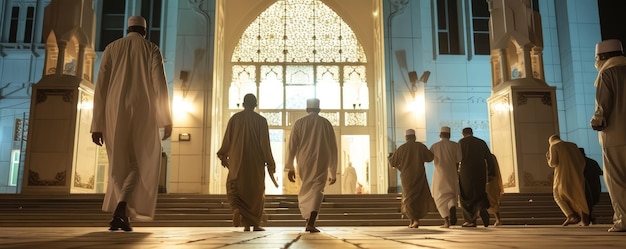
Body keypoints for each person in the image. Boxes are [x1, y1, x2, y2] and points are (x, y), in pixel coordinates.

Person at [91, 16, 173, 232]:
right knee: (140, 163)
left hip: (113, 112)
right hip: (143, 110)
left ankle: (122, 213)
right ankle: (121, 210)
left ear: (127, 29)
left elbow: (100, 88)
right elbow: (160, 85)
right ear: (144, 32)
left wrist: (96, 124)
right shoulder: (151, 49)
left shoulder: (111, 48)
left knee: (118, 165)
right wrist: (166, 118)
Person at [217, 93, 276, 232]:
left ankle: (238, 210)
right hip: (255, 163)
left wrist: (223, 154)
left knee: (236, 188)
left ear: (243, 104)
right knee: (256, 192)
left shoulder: (235, 119)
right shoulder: (261, 121)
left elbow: (227, 140)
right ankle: (254, 224)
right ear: (255, 105)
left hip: (237, 161)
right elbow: (265, 144)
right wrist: (270, 162)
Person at [285, 98, 338, 233]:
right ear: (319, 109)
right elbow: (333, 148)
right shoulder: (326, 124)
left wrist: (290, 167)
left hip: (304, 161)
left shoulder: (299, 123)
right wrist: (333, 171)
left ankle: (309, 221)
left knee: (307, 188)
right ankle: (311, 221)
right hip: (322, 160)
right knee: (317, 190)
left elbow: (292, 146)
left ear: (307, 109)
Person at [590, 39, 626, 232]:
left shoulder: (607, 73)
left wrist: (597, 121)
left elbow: (603, 105)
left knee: (617, 180)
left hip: (615, 137)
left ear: (602, 57)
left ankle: (623, 220)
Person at [388, 129, 434, 229]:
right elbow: (430, 157)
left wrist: (390, 157)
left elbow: (393, 163)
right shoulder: (420, 146)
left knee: (409, 198)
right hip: (419, 176)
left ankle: (414, 220)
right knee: (418, 198)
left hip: (407, 177)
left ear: (406, 137)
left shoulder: (402, 148)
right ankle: (413, 220)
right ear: (415, 137)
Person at [546, 135, 589, 226]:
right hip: (577, 174)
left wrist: (548, 158)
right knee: (578, 195)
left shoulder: (554, 145)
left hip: (562, 175)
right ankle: (583, 219)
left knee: (557, 195)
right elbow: (582, 161)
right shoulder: (572, 145)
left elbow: (553, 162)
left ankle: (571, 216)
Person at [458, 127, 496, 227]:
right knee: (479, 192)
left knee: (465, 195)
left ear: (463, 134)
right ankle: (482, 207)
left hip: (466, 172)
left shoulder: (461, 143)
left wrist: (455, 172)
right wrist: (491, 173)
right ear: (472, 133)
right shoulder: (481, 142)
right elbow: (489, 158)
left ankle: (471, 220)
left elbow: (457, 159)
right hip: (480, 171)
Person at [429, 126, 462, 228]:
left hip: (439, 174)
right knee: (451, 194)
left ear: (440, 135)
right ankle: (452, 205)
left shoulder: (435, 146)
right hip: (452, 173)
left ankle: (446, 222)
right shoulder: (455, 145)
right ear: (449, 135)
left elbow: (429, 158)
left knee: (440, 197)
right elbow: (459, 159)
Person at [579, 148, 603, 224]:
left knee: (585, 202)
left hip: (585, 186)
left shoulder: (578, 163)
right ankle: (588, 218)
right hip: (594, 186)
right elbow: (600, 172)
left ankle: (586, 219)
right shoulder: (592, 162)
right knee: (589, 203)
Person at [486, 153, 504, 226]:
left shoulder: (487, 157)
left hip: (488, 181)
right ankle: (498, 219)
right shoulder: (491, 156)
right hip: (493, 180)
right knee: (493, 201)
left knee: (491, 201)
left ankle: (498, 219)